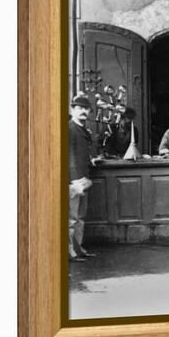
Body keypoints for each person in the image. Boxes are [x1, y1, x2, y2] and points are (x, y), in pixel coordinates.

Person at [69, 95, 100, 262]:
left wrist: (91, 160)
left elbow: (81, 153)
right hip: (74, 181)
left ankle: (78, 250)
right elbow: (68, 155)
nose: (83, 111)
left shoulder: (81, 129)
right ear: (72, 110)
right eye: (79, 108)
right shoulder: (69, 128)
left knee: (79, 218)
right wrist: (74, 180)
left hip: (83, 178)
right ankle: (70, 253)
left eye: (86, 108)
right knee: (72, 219)